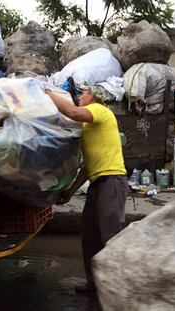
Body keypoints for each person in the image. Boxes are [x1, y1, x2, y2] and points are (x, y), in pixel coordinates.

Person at [45, 87, 128, 290]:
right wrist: (70, 191)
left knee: (111, 237)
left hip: (112, 181)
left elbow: (72, 112)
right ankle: (95, 284)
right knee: (90, 237)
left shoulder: (100, 110)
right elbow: (86, 167)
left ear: (93, 96)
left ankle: (120, 288)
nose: (79, 96)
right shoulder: (87, 127)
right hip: (97, 183)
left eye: (83, 93)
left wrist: (47, 93)